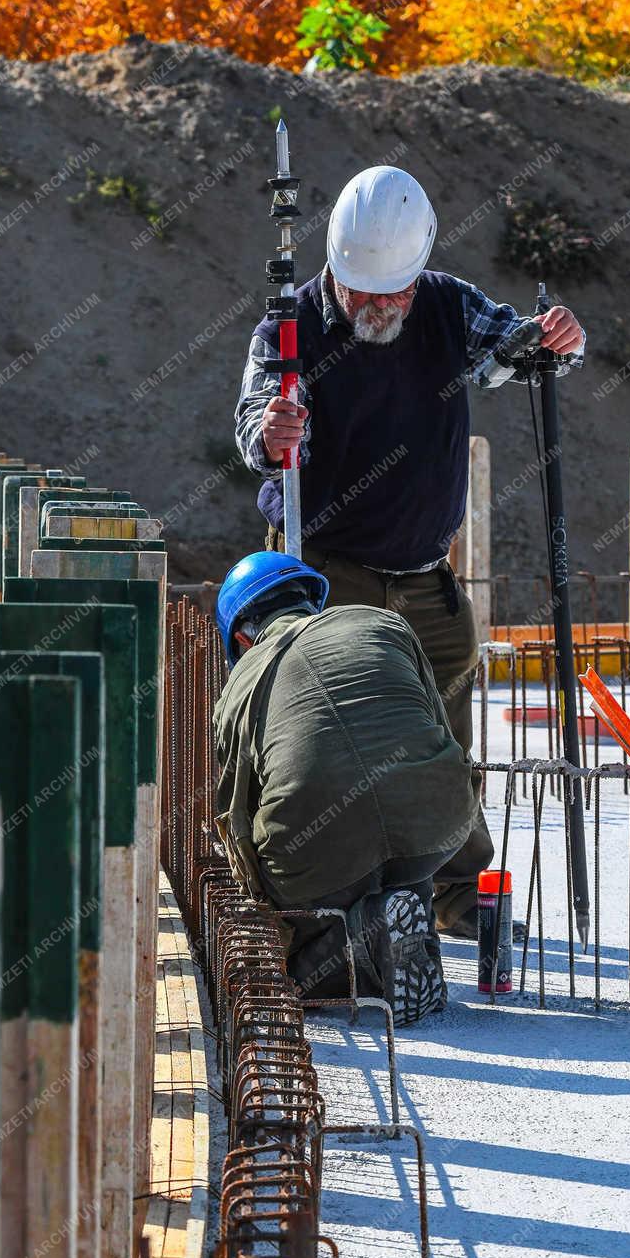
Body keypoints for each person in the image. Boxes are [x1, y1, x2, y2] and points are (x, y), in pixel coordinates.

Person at [235, 164, 586, 938]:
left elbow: (514, 352)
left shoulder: (445, 304)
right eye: (365, 294)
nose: (380, 307)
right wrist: (272, 434)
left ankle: (456, 893)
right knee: (326, 741)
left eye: (394, 292)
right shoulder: (289, 327)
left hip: (425, 574)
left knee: (442, 742)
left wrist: (553, 340)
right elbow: (255, 419)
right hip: (324, 573)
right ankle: (319, 904)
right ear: (337, 267)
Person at [212, 551, 483, 1025]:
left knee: (309, 965)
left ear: (241, 636)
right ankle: (408, 925)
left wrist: (269, 906)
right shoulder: (381, 624)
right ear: (310, 601)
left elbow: (235, 811)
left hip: (322, 855)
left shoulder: (240, 683)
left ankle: (355, 941)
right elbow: (442, 733)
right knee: (403, 849)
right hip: (437, 825)